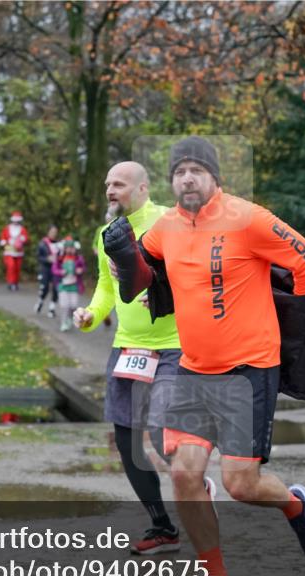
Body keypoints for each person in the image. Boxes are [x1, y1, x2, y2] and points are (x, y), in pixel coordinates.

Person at [104, 137, 305, 576]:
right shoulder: (165, 227)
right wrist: (127, 258)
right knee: (184, 473)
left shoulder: (248, 218)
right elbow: (144, 274)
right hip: (193, 367)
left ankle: (295, 506)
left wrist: (292, 323)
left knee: (241, 485)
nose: (186, 178)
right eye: (179, 172)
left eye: (195, 170)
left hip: (249, 369)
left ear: (214, 176)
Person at [73, 161, 186, 555]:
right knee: (127, 441)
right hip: (128, 346)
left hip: (173, 344)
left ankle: (194, 490)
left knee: (163, 430)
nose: (110, 190)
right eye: (107, 183)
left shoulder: (168, 222)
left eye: (118, 183)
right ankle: (162, 526)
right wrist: (90, 315)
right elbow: (107, 289)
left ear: (142, 188)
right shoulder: (105, 234)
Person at [53, 237, 85, 332]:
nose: (70, 249)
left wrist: (80, 270)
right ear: (65, 248)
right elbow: (54, 269)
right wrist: (60, 272)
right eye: (68, 247)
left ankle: (70, 318)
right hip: (63, 285)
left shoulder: (79, 258)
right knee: (64, 306)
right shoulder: (60, 258)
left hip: (74, 285)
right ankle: (63, 323)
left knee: (73, 305)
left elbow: (83, 268)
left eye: (72, 247)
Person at [34, 224, 59, 317]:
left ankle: (52, 308)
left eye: (55, 232)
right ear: (48, 232)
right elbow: (38, 257)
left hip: (56, 269)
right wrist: (47, 259)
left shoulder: (58, 243)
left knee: (56, 288)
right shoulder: (43, 243)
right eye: (52, 232)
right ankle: (40, 302)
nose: (54, 234)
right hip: (45, 268)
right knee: (45, 288)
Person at [0, 210, 28, 290]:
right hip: (9, 250)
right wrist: (4, 242)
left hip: (18, 251)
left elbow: (26, 238)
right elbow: (2, 238)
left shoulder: (22, 229)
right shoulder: (7, 228)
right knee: (10, 266)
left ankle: (15, 282)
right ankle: (10, 282)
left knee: (17, 268)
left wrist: (22, 240)